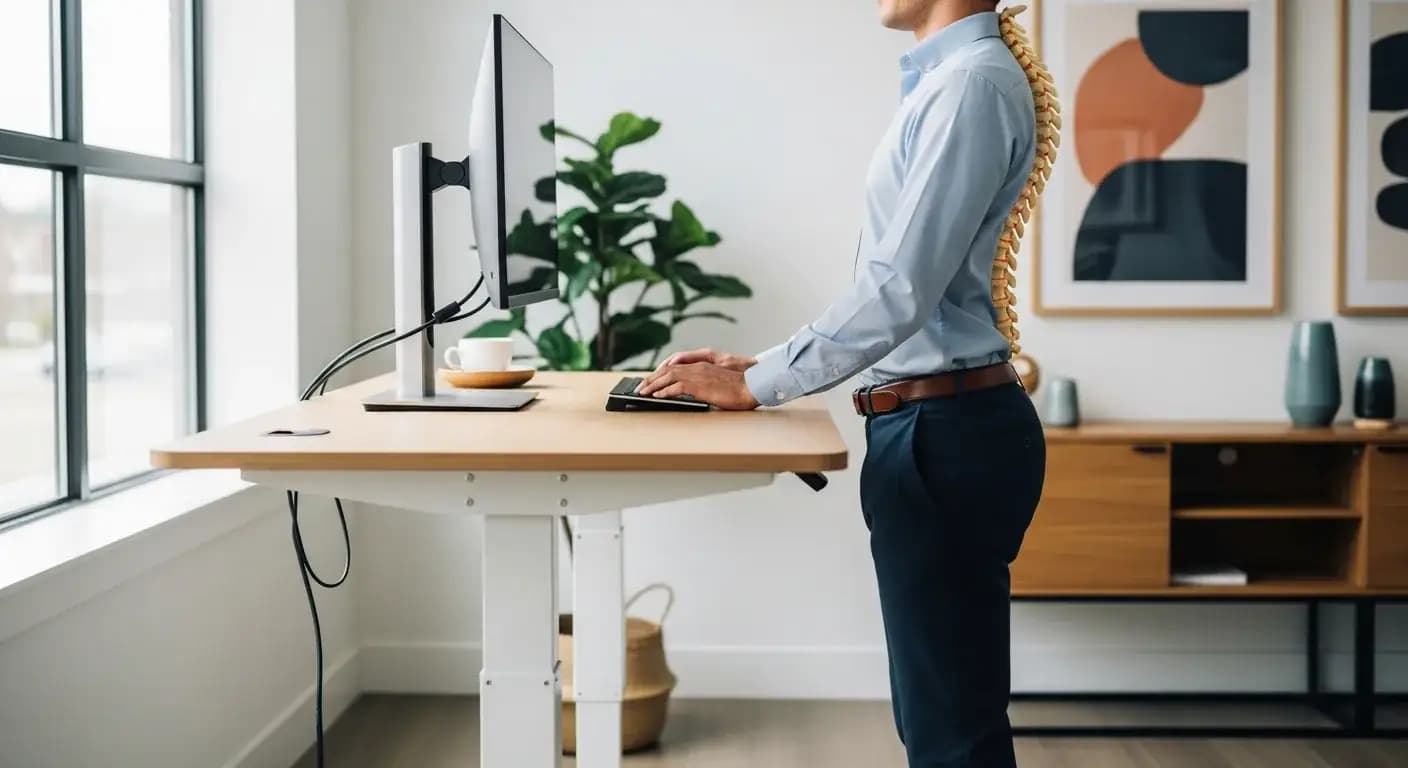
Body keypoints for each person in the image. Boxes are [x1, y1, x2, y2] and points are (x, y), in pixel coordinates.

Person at [640, 1, 1060, 765]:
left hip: (945, 438)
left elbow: (900, 286)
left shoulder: (970, 85)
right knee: (942, 721)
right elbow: (901, 285)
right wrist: (757, 365)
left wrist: (764, 383)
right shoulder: (953, 81)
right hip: (940, 428)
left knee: (949, 736)